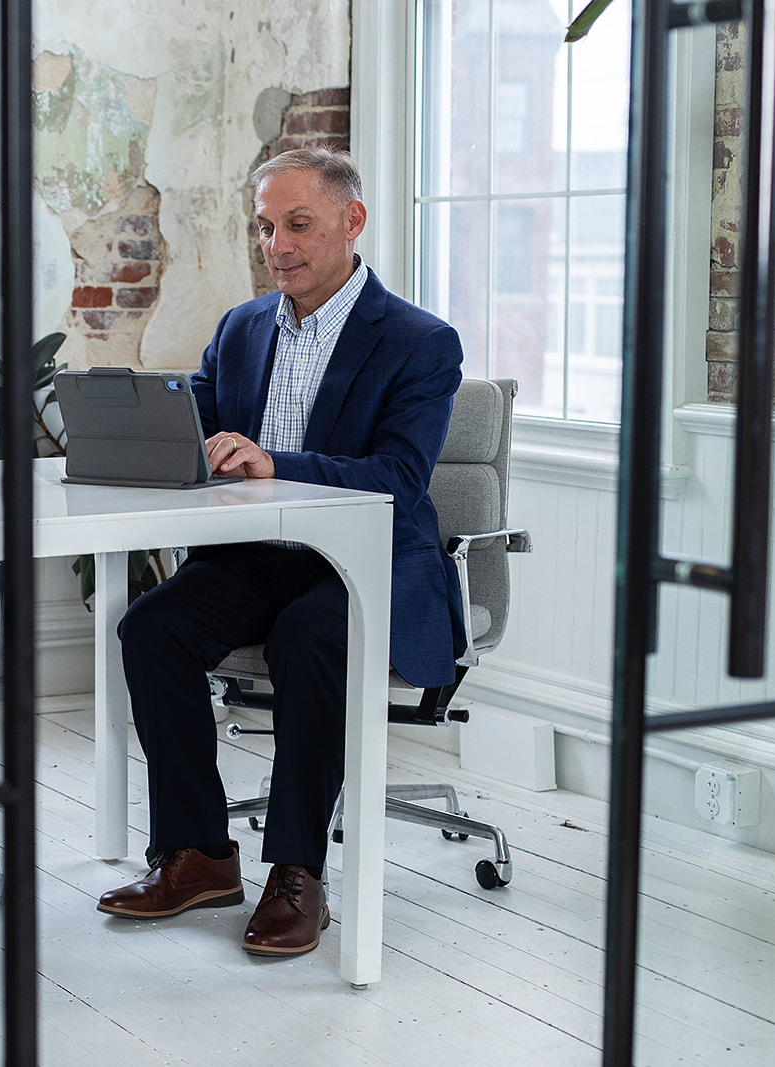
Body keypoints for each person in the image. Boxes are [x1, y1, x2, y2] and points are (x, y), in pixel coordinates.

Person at [96, 147, 467, 957]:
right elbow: (191, 429)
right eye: (265, 227)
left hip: (363, 564)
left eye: (297, 223)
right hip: (257, 557)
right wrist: (128, 435)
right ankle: (197, 853)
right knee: (151, 628)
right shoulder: (238, 329)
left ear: (351, 221)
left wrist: (277, 460)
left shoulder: (420, 342)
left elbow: (399, 477)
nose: (278, 244)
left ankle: (299, 870)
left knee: (313, 634)